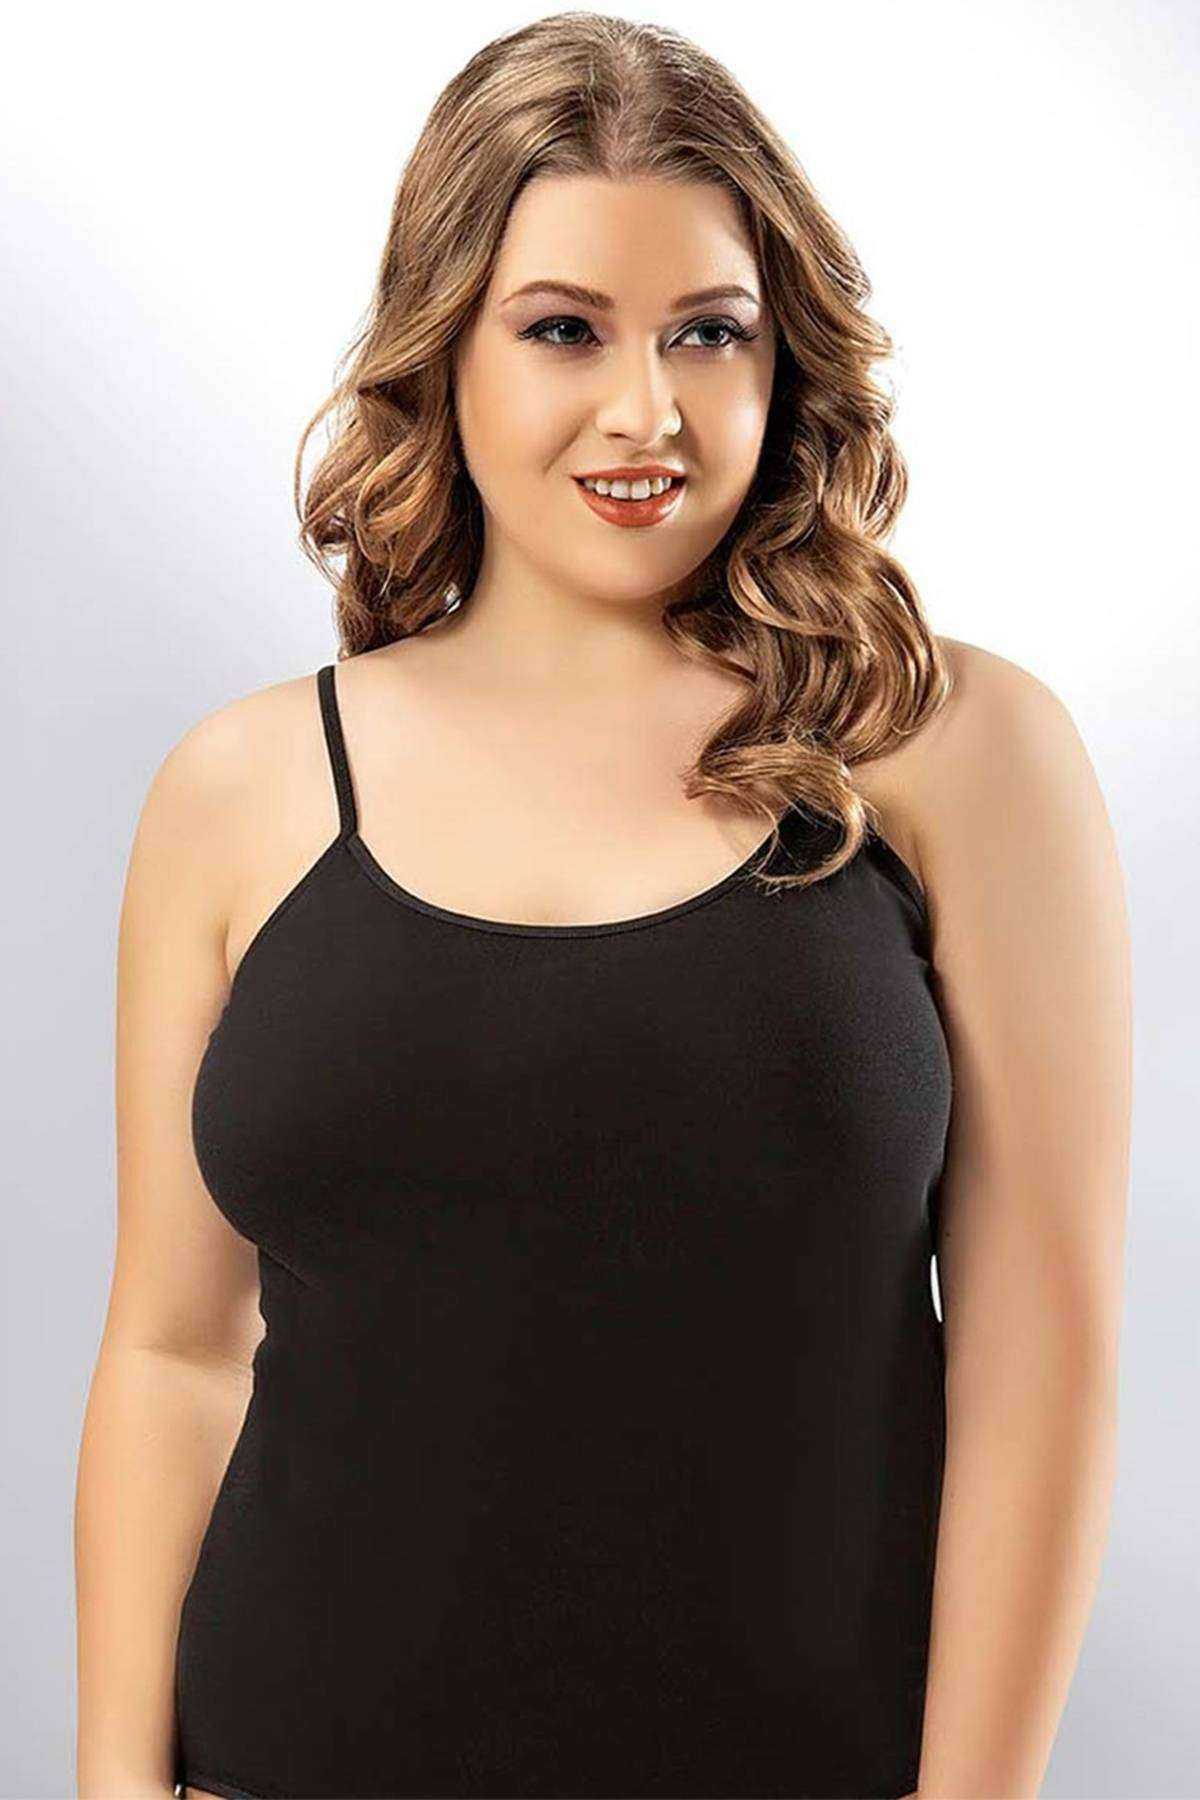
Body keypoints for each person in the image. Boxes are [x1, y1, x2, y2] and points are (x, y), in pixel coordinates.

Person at [74, 14, 1131, 1799]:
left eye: (709, 331)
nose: (647, 411)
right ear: (444, 348)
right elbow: (175, 1352)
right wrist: (114, 1785)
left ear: (784, 356)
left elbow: (1044, 1354)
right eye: (563, 328)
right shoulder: (240, 790)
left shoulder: (949, 750)